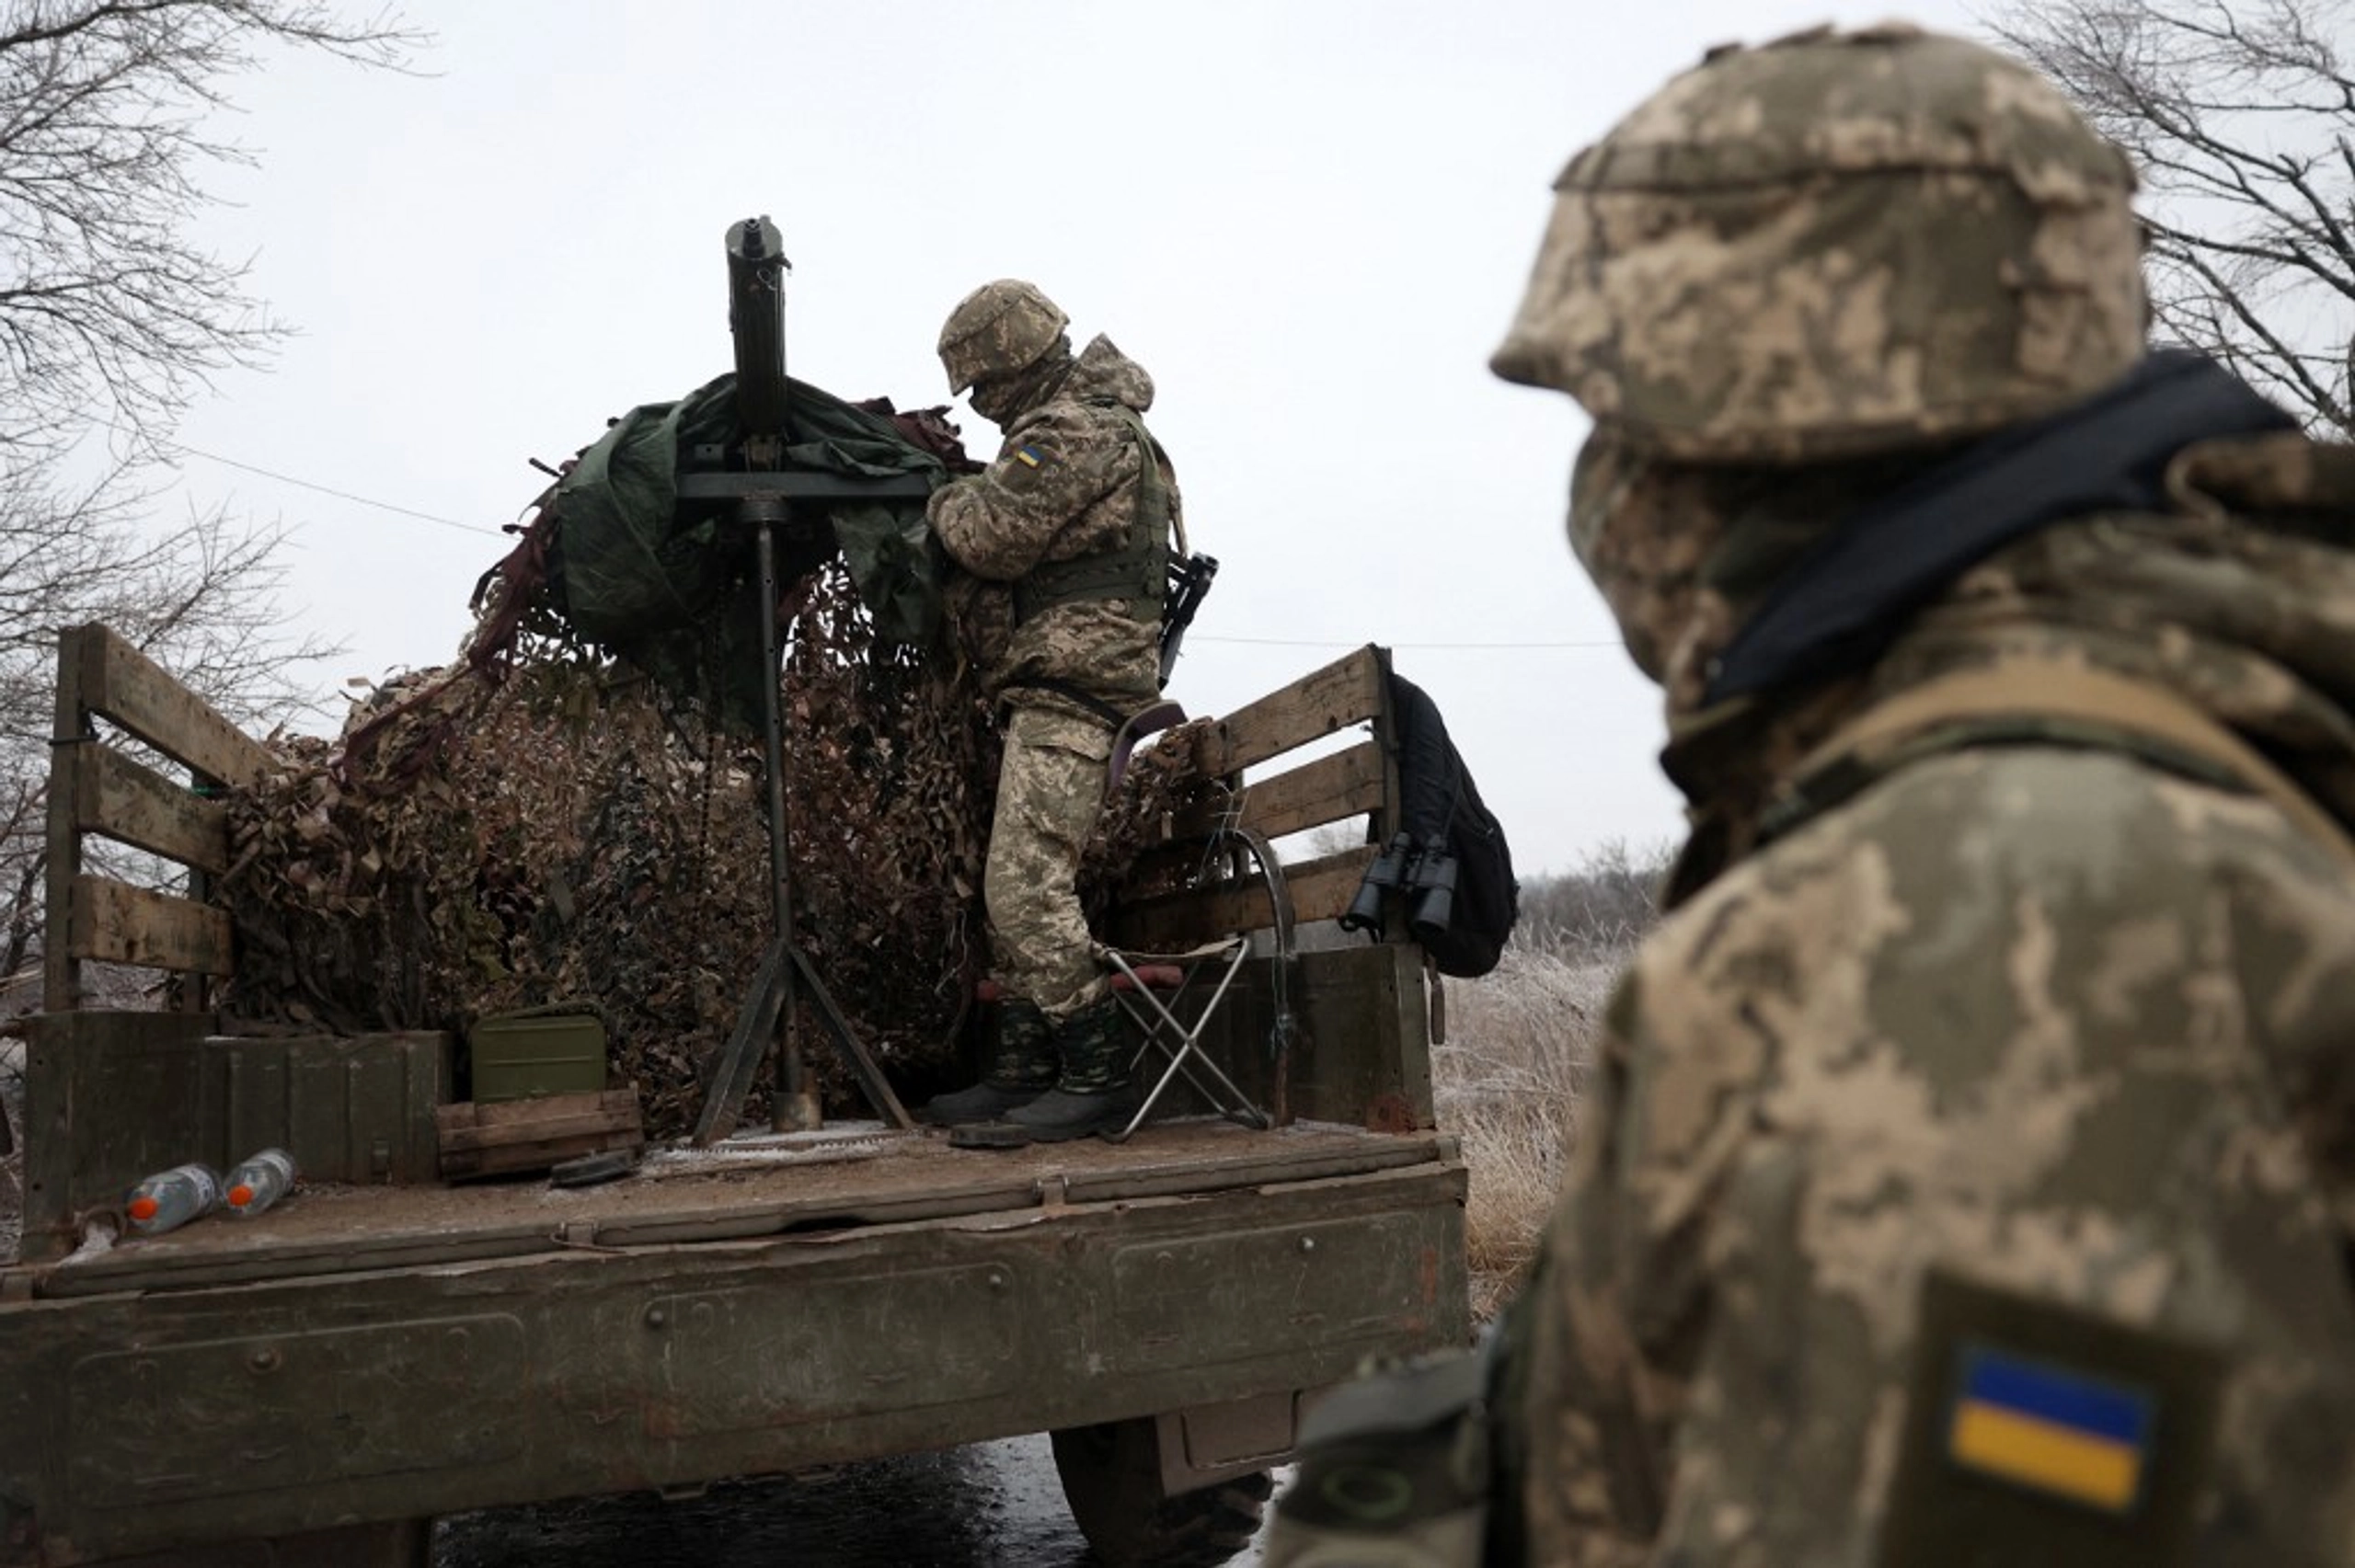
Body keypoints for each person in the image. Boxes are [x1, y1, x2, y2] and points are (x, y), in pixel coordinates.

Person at [1268, 23, 2355, 1566]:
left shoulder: (1983, 925)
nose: (1599, 500)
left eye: (1615, 424)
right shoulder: (2206, 734)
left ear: (1747, 426)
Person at [914, 279, 1178, 1143]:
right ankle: (1023, 1070)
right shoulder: (1078, 422)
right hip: (1057, 684)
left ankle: (1096, 1072)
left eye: (983, 385)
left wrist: (942, 499)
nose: (982, 407)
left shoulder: (1074, 427)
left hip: (1080, 686)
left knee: (1024, 887)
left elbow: (990, 535)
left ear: (1010, 361)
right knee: (1008, 893)